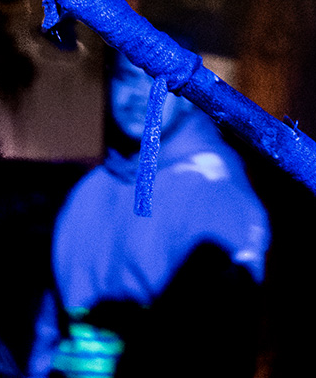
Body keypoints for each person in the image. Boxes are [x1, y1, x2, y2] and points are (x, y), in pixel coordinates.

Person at [28, 53, 270, 378]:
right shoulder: (89, 190)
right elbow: (51, 322)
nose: (139, 95)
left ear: (188, 96)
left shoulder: (218, 195)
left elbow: (222, 341)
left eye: (159, 81)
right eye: (126, 78)